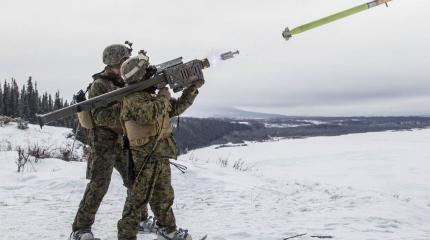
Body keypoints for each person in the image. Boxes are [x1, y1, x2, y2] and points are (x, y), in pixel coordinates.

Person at [117, 52, 204, 240]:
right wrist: (164, 94)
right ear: (139, 76)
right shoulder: (133, 99)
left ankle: (168, 230)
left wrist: (192, 89)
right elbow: (150, 114)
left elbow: (176, 108)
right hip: (145, 155)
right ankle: (125, 235)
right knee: (137, 200)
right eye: (146, 72)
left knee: (163, 196)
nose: (150, 73)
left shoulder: (150, 96)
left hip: (160, 152)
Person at [71, 43, 149, 240]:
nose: (127, 64)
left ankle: (140, 219)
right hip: (103, 143)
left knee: (135, 180)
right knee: (99, 185)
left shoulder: (126, 80)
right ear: (115, 62)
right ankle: (81, 229)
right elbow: (99, 117)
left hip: (123, 141)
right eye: (124, 60)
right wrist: (126, 110)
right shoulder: (100, 85)